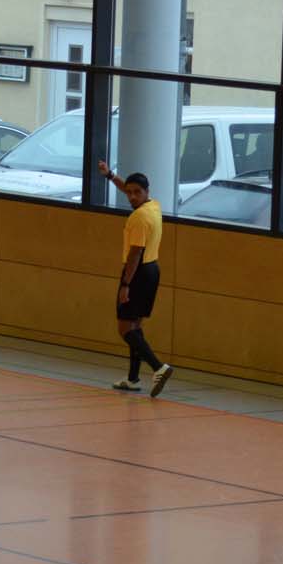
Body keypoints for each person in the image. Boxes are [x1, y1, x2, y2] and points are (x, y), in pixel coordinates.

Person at [97, 160, 173, 398]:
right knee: (135, 326)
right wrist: (110, 175)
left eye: (136, 192)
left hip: (137, 273)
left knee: (124, 329)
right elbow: (128, 188)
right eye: (129, 192)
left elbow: (135, 254)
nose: (131, 196)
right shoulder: (153, 206)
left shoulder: (139, 218)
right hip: (152, 271)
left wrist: (125, 285)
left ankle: (158, 367)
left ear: (146, 192)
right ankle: (132, 379)